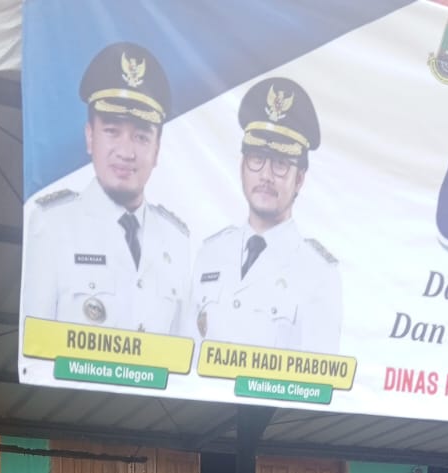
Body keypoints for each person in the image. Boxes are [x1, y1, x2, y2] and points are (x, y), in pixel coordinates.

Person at [22, 42, 189, 334]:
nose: (126, 152)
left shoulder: (176, 239)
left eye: (141, 137)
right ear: (90, 137)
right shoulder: (52, 225)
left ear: (157, 149)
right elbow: (34, 343)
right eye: (112, 131)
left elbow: (183, 351)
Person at [188, 76, 342, 353]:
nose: (266, 175)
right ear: (242, 167)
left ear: (299, 179)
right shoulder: (210, 253)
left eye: (281, 163)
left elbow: (317, 372)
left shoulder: (318, 273)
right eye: (257, 159)